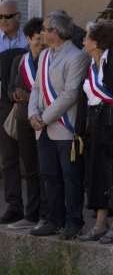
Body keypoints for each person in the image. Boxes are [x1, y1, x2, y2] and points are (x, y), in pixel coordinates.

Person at [28, 12, 90, 240]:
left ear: (55, 32)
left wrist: (45, 117)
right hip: (42, 126)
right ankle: (54, 219)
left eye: (44, 29)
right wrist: (33, 113)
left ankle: (74, 221)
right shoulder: (44, 56)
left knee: (70, 175)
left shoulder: (76, 57)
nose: (41, 33)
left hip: (64, 126)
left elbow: (70, 94)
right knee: (49, 174)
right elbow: (36, 88)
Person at [75, 22, 113, 244]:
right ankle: (100, 223)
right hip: (95, 127)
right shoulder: (91, 66)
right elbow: (84, 99)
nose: (83, 41)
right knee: (97, 173)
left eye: (86, 38)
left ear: (96, 42)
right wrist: (80, 129)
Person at [7, 18, 48, 230]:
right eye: (38, 39)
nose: (42, 42)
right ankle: (31, 215)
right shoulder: (20, 61)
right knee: (30, 169)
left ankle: (46, 215)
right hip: (23, 120)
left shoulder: (50, 60)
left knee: (45, 169)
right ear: (28, 39)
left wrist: (29, 95)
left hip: (44, 120)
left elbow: (51, 94)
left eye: (44, 38)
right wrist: (15, 96)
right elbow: (9, 88)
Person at [0, 0, 29, 224]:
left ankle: (39, 208)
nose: (3, 21)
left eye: (7, 16)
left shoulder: (29, 40)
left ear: (18, 17)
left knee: (33, 159)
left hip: (28, 104)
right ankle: (14, 206)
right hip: (3, 105)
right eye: (0, 17)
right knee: (9, 159)